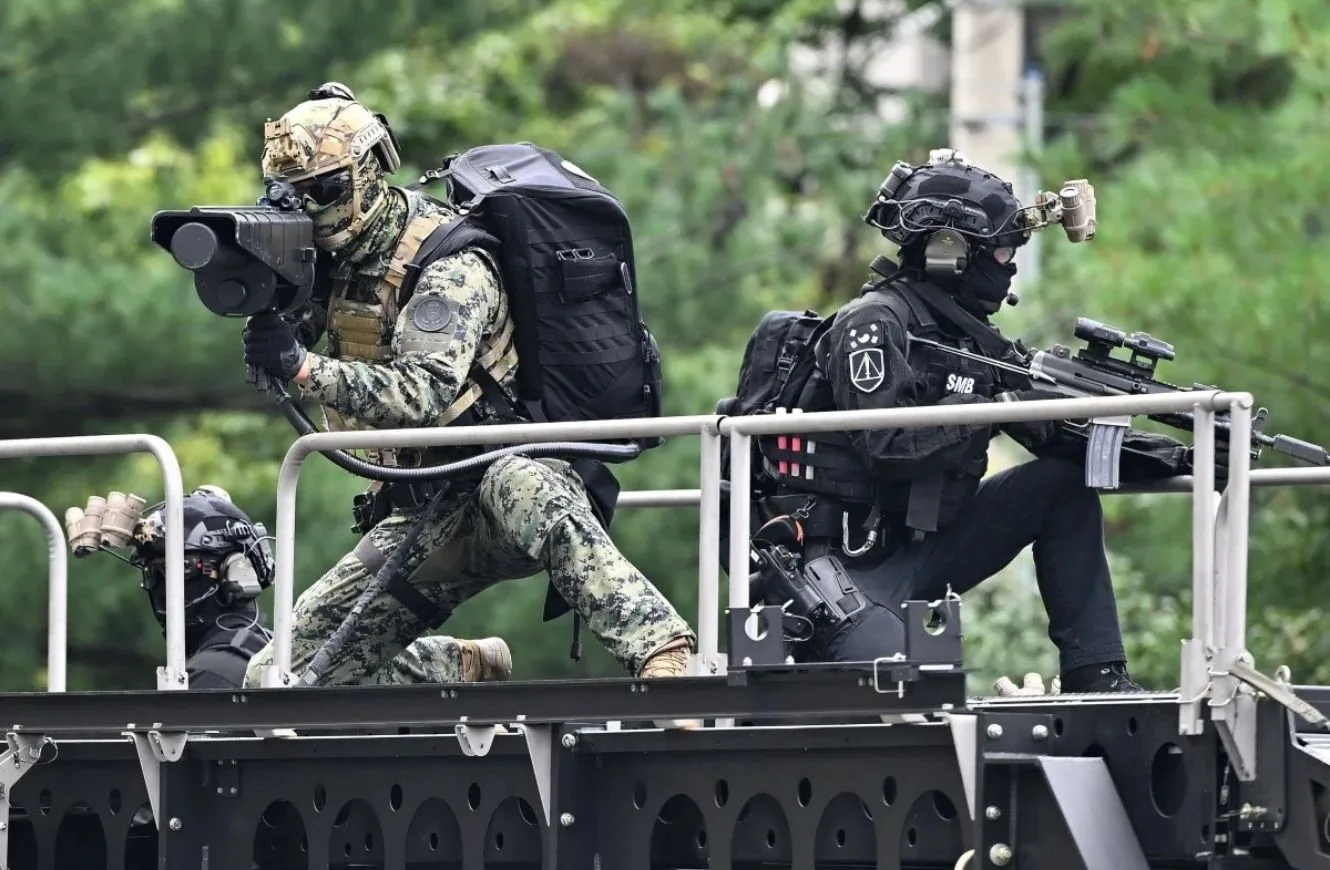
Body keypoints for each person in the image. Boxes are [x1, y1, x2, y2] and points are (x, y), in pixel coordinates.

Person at [238, 83, 696, 689]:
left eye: (323, 190)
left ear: (370, 173)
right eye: (293, 194)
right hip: (422, 510)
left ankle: (663, 649)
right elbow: (302, 336)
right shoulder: (333, 264)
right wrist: (269, 308)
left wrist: (303, 368)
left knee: (524, 483)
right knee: (274, 677)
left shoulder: (449, 264)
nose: (310, 209)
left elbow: (422, 393)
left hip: (499, 488)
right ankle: (458, 665)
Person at [725, 149, 1219, 694]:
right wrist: (989, 409)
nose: (1009, 267)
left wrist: (1183, 458)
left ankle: (1098, 676)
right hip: (843, 570)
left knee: (1060, 485)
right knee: (905, 696)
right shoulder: (872, 325)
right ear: (950, 250)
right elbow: (887, 445)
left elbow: (1056, 431)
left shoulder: (970, 340)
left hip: (921, 552)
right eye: (1002, 252)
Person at [65, 486, 512, 689]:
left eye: (176, 571)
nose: (162, 589)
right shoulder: (277, 650)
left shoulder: (213, 674)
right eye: (154, 574)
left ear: (234, 573)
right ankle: (445, 660)